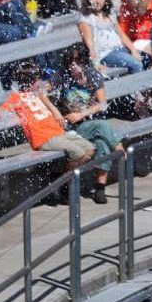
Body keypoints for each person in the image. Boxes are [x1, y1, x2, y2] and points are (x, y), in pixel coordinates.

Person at [0, 61, 94, 186]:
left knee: (89, 149)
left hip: (58, 133)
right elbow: (0, 111)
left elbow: (51, 99)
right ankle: (62, 184)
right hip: (43, 138)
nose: (41, 81)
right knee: (79, 153)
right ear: (31, 81)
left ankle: (60, 178)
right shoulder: (16, 97)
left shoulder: (38, 94)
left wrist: (49, 105)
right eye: (38, 79)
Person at [54, 44, 130, 204]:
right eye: (70, 61)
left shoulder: (92, 75)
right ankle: (121, 151)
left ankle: (99, 188)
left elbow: (102, 104)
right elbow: (42, 92)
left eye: (77, 61)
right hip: (72, 128)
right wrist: (56, 112)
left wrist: (81, 113)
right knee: (102, 126)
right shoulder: (62, 76)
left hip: (88, 124)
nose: (73, 65)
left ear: (83, 61)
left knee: (102, 145)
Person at [76, 0, 144, 75]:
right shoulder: (86, 18)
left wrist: (133, 50)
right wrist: (96, 63)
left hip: (120, 49)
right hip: (106, 54)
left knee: (145, 57)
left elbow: (121, 34)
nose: (98, 1)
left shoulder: (109, 13)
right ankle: (138, 88)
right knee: (137, 64)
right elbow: (90, 44)